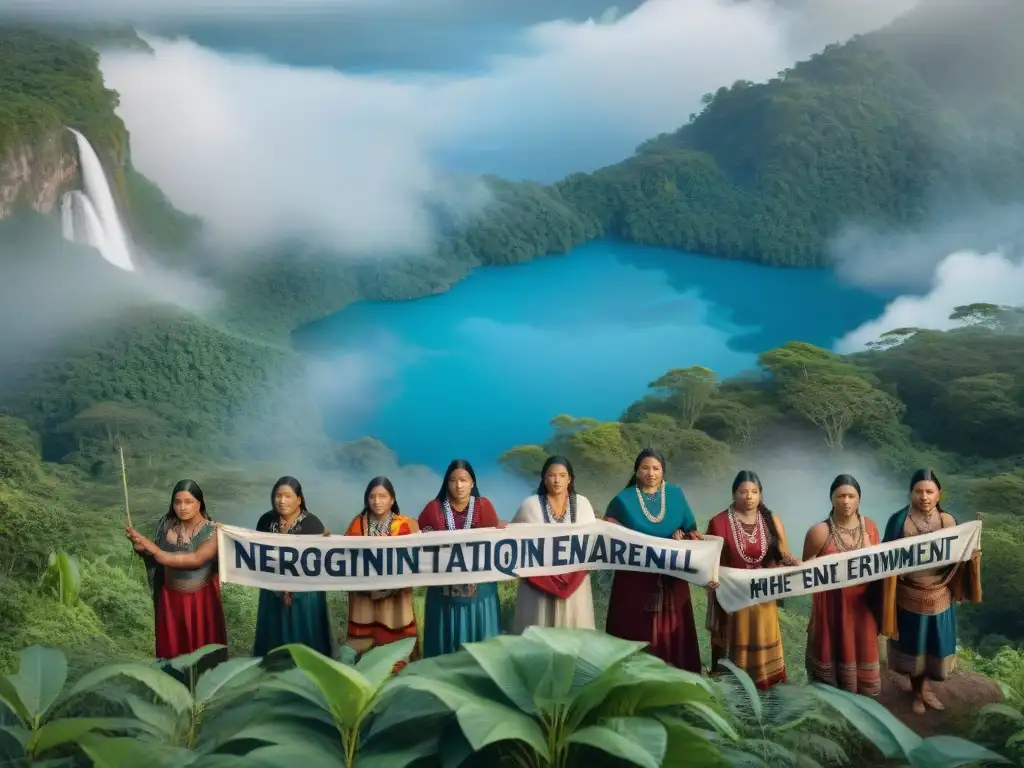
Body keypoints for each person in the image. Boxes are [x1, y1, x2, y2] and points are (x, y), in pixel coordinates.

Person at [878, 468, 982, 714]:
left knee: (933, 645)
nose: (923, 497)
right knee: (914, 646)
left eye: (929, 491)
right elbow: (883, 557)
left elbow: (959, 558)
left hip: (940, 595)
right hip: (908, 594)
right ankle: (917, 692)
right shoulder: (899, 521)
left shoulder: (948, 521)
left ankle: (925, 688)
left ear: (939, 494)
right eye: (918, 491)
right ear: (910, 493)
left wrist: (973, 555)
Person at [603, 448, 702, 672]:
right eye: (645, 468)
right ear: (637, 472)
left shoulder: (676, 494)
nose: (651, 473)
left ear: (663, 472)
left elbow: (691, 531)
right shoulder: (623, 500)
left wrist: (683, 536)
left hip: (671, 576)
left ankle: (678, 678)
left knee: (672, 630)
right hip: (634, 580)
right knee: (636, 628)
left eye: (656, 468)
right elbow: (609, 532)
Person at [706, 470, 797, 689]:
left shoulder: (771, 519)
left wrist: (788, 561)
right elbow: (710, 559)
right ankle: (733, 682)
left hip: (763, 594)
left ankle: (768, 680)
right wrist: (712, 578)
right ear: (734, 494)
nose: (749, 497)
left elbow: (783, 552)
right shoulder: (718, 522)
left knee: (763, 635)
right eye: (743, 492)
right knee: (736, 637)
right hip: (733, 596)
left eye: (754, 492)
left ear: (761, 495)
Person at [126, 479, 228, 664]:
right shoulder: (166, 525)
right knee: (172, 652)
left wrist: (154, 550)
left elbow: (195, 560)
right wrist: (143, 548)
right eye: (177, 502)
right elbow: (157, 558)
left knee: (200, 655)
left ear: (200, 503)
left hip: (200, 603)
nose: (182, 507)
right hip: (170, 601)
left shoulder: (213, 532)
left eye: (188, 502)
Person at [803, 474, 882, 696]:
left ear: (859, 500)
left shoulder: (871, 528)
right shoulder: (819, 532)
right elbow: (805, 574)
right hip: (831, 607)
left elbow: (880, 565)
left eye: (851, 496)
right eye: (840, 496)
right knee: (832, 656)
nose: (846, 501)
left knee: (862, 653)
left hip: (862, 606)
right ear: (832, 499)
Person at [418, 459, 503, 657]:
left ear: (472, 483)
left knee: (481, 650)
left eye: (464, 480)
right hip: (442, 597)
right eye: (453, 480)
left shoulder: (484, 507)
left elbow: (496, 542)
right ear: (446, 483)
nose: (459, 485)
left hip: (480, 594)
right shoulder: (433, 509)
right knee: (443, 649)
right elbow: (419, 540)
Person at [510, 456, 596, 632]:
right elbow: (512, 538)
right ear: (543, 478)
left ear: (570, 478)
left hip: (575, 581)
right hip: (538, 584)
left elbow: (593, 539)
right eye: (551, 475)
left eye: (562, 475)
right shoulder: (530, 505)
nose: (557, 480)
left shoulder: (583, 504)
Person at [252, 476, 335, 659]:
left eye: (288, 496)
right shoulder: (266, 521)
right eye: (278, 496)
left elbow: (317, 562)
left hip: (304, 594)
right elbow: (256, 551)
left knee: (304, 636)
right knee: (273, 637)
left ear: (299, 499)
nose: (282, 501)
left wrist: (291, 586)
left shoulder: (312, 524)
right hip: (273, 592)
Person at [343, 476, 420, 659]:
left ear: (392, 500)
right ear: (367, 500)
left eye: (383, 496)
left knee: (395, 639)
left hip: (396, 598)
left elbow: (417, 558)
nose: (377, 501)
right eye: (372, 497)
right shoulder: (357, 524)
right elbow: (345, 555)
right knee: (361, 639)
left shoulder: (407, 525)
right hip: (364, 597)